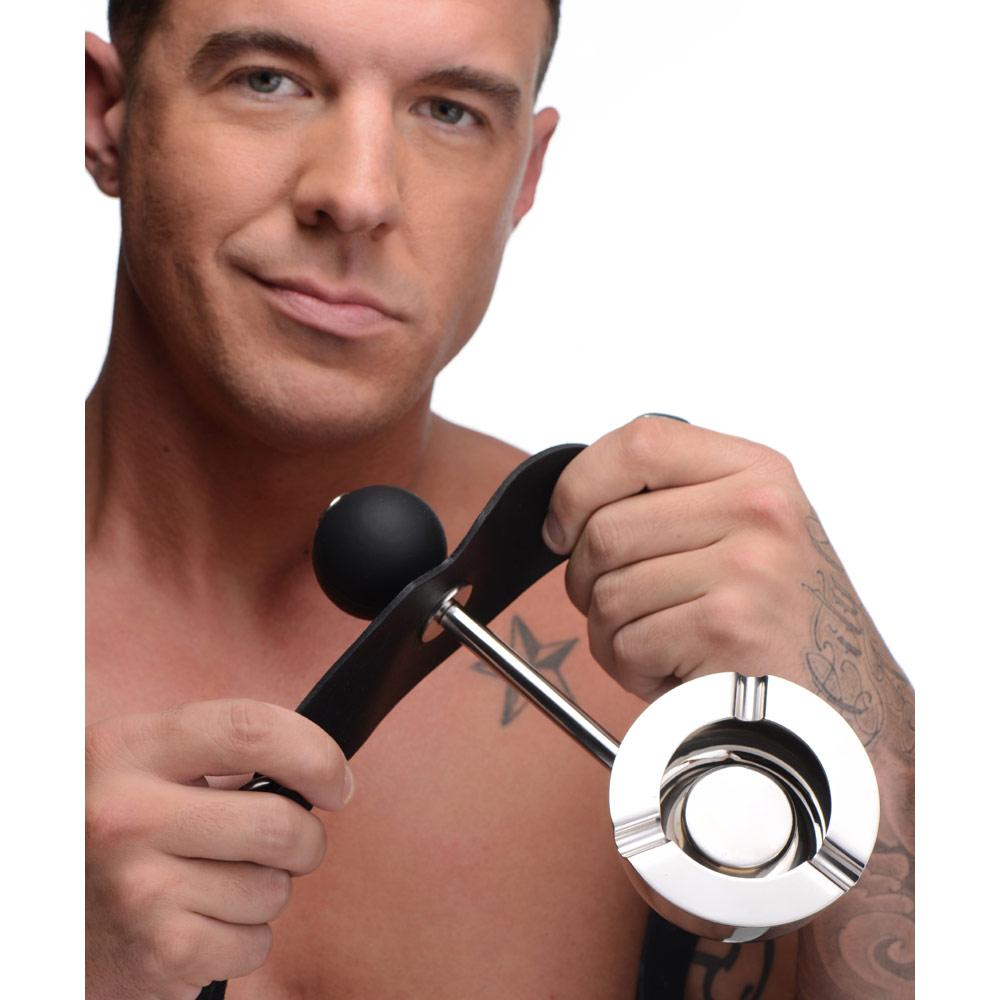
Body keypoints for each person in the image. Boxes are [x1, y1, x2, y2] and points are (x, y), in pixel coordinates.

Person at [84, 0, 915, 997]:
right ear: (106, 115)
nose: (356, 193)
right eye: (268, 81)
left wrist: (871, 732)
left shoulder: (676, 665)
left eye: (448, 110)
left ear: (525, 172)